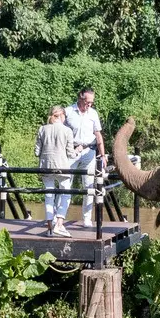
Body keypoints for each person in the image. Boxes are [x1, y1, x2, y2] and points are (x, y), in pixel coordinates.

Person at [57, 87, 105, 228]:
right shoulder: (68, 111)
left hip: (89, 150)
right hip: (71, 151)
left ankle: (87, 219)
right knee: (65, 183)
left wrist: (102, 155)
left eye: (92, 102)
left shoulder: (93, 113)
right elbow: (58, 130)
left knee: (89, 185)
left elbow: (98, 134)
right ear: (80, 97)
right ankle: (58, 217)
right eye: (87, 101)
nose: (89, 104)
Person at [36, 104, 77, 234]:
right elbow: (70, 154)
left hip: (46, 166)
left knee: (49, 195)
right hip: (62, 167)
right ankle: (59, 223)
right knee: (65, 194)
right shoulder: (67, 131)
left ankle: (49, 227)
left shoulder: (42, 129)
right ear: (62, 116)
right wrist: (78, 151)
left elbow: (37, 152)